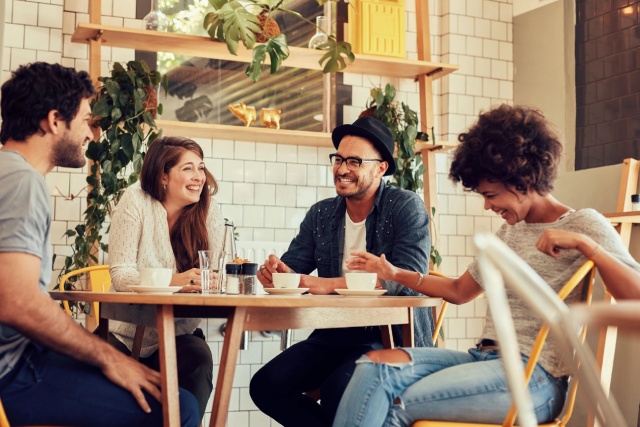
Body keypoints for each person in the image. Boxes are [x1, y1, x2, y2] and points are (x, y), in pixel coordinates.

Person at [332, 104, 640, 427]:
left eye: (491, 195)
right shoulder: (509, 232)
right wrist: (394, 274)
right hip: (484, 358)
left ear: (523, 179)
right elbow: (458, 290)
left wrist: (587, 246)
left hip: (534, 378)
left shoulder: (582, 223)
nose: (488, 205)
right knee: (373, 367)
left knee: (398, 404)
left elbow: (634, 295)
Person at [0, 62, 199, 426]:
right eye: (86, 120)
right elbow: (17, 303)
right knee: (178, 407)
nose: (91, 134)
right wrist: (111, 358)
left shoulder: (8, 172)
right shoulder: (20, 182)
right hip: (13, 370)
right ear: (54, 120)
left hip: (21, 356)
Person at [250, 116, 434, 426]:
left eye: (354, 161)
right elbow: (294, 266)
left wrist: (327, 284)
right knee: (266, 386)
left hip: (388, 337)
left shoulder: (405, 207)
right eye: (339, 159)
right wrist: (276, 274)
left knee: (341, 389)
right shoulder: (322, 213)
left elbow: (405, 279)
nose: (342, 169)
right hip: (332, 333)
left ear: (381, 168)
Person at [107, 135, 225, 421]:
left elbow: (215, 276)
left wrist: (214, 282)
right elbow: (121, 275)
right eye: (188, 168)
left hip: (178, 333)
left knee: (199, 359)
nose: (199, 177)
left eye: (201, 167)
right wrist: (177, 280)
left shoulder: (209, 212)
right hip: (125, 333)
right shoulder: (135, 201)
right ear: (163, 175)